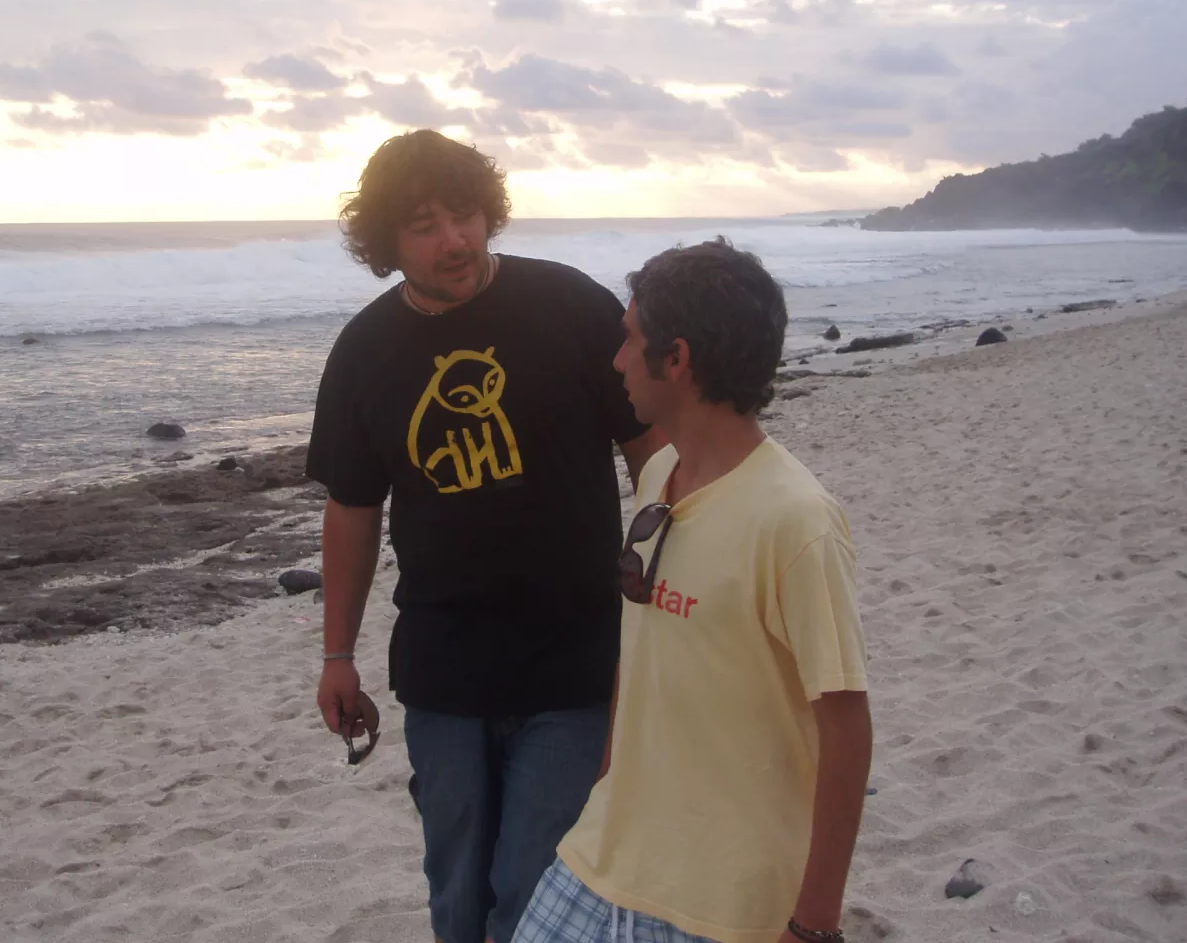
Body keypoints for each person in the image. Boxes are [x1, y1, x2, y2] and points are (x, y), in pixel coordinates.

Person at [307, 130, 664, 943]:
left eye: (465, 215)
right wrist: (337, 655)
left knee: (533, 888)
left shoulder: (571, 306)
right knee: (458, 893)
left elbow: (653, 451)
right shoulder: (364, 352)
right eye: (424, 225)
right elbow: (352, 509)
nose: (455, 240)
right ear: (388, 241)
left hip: (575, 659)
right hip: (445, 670)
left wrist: (666, 586)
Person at [514, 240, 872, 943]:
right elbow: (642, 646)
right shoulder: (657, 477)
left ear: (675, 359)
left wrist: (815, 924)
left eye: (629, 339)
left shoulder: (795, 521)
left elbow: (846, 728)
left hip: (722, 899)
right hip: (604, 854)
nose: (616, 360)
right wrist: (608, 779)